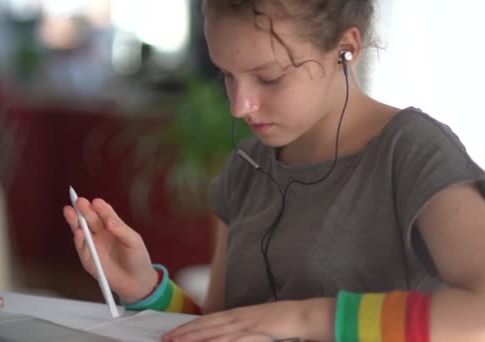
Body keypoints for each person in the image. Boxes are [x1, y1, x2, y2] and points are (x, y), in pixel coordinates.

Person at [64, 0, 485, 341]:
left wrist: (304, 318)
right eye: (227, 75)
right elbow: (227, 324)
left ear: (346, 49)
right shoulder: (246, 167)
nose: (239, 106)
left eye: (268, 77)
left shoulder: (413, 151)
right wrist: (147, 292)